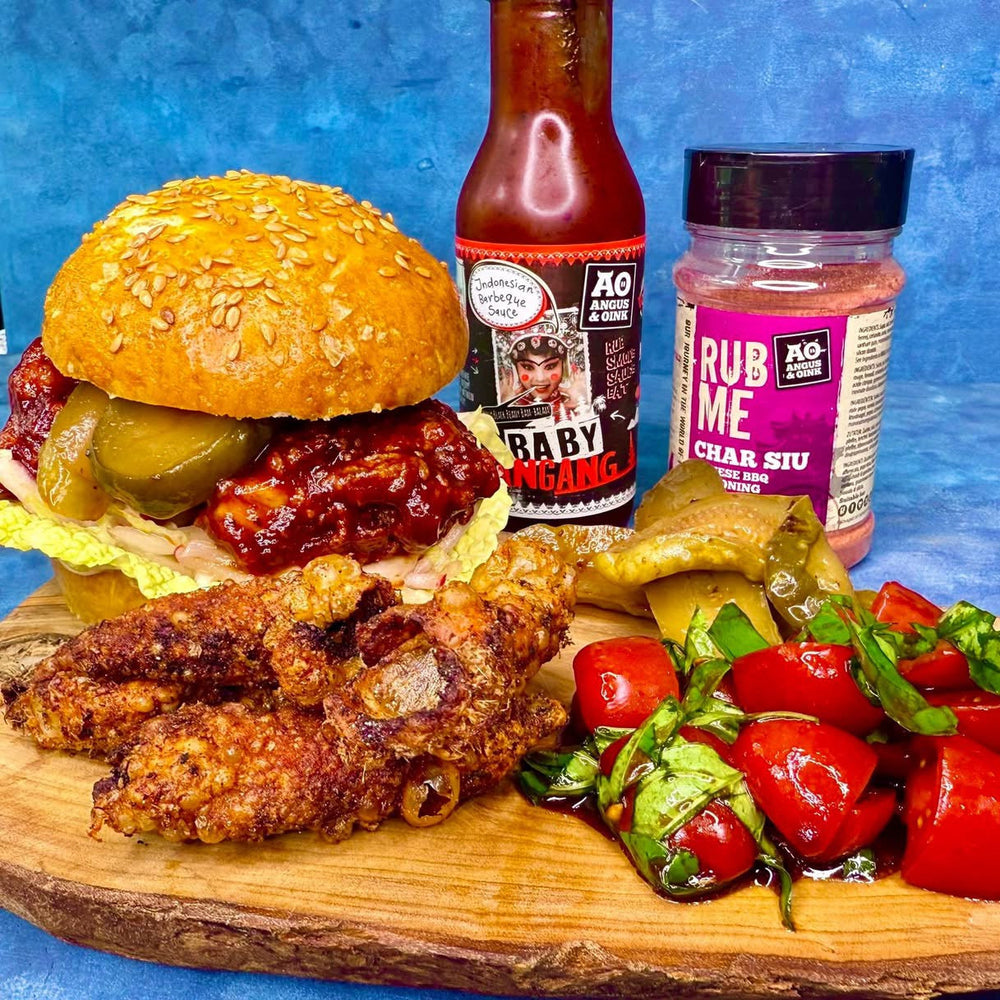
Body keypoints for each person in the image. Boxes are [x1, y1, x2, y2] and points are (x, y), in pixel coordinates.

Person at [502, 327, 588, 423]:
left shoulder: (575, 404)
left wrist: (581, 400)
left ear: (564, 366)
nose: (540, 378)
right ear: (515, 369)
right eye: (528, 367)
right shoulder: (510, 405)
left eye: (550, 366)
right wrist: (504, 406)